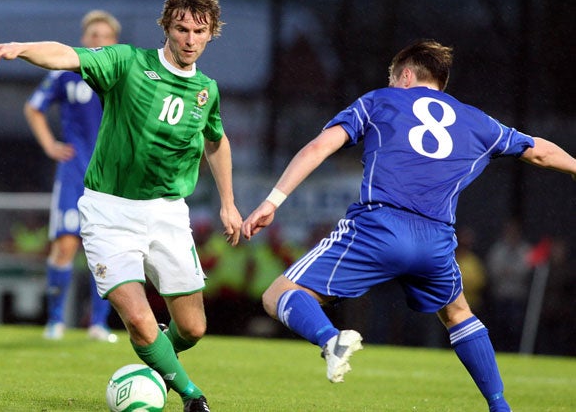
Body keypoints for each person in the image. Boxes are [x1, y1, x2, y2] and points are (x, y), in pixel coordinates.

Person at [242, 40, 576, 412]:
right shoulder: (478, 121)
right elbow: (540, 152)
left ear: (404, 75)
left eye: (392, 76)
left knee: (278, 294)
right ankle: (499, 405)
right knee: (458, 314)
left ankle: (329, 339)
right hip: (435, 241)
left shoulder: (380, 100)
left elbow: (319, 147)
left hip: (379, 227)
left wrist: (272, 202)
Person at [0, 0, 242, 411]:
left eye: (199, 31)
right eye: (181, 29)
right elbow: (67, 55)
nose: (190, 39)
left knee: (192, 328)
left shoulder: (206, 91)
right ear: (167, 28)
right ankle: (192, 397)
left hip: (168, 213)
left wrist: (229, 202)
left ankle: (151, 365)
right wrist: (20, 48)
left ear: (211, 33)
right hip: (109, 211)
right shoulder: (127, 62)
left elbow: (217, 140)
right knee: (139, 319)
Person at [23, 10, 121, 342]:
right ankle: (55, 321)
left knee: (105, 252)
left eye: (105, 36)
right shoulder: (65, 73)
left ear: (114, 42)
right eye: (93, 35)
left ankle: (98, 323)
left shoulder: (121, 75)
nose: (98, 41)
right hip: (74, 171)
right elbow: (33, 107)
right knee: (66, 245)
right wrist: (50, 144)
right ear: (83, 40)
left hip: (111, 175)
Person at [485, 218, 531, 351]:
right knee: (500, 327)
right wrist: (509, 272)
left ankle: (515, 351)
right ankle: (499, 350)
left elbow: (526, 270)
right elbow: (493, 269)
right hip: (501, 295)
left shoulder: (525, 250)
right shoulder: (498, 249)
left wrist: (510, 272)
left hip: (517, 296)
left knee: (516, 328)